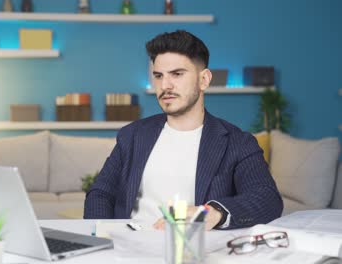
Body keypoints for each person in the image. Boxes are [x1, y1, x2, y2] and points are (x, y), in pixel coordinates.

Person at [84, 30, 283, 230]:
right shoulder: (132, 135)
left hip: (192, 252)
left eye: (177, 74)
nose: (165, 85)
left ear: (204, 79)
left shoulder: (237, 142)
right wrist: (103, 238)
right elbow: (100, 193)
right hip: (128, 252)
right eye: (158, 76)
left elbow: (267, 199)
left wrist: (213, 213)